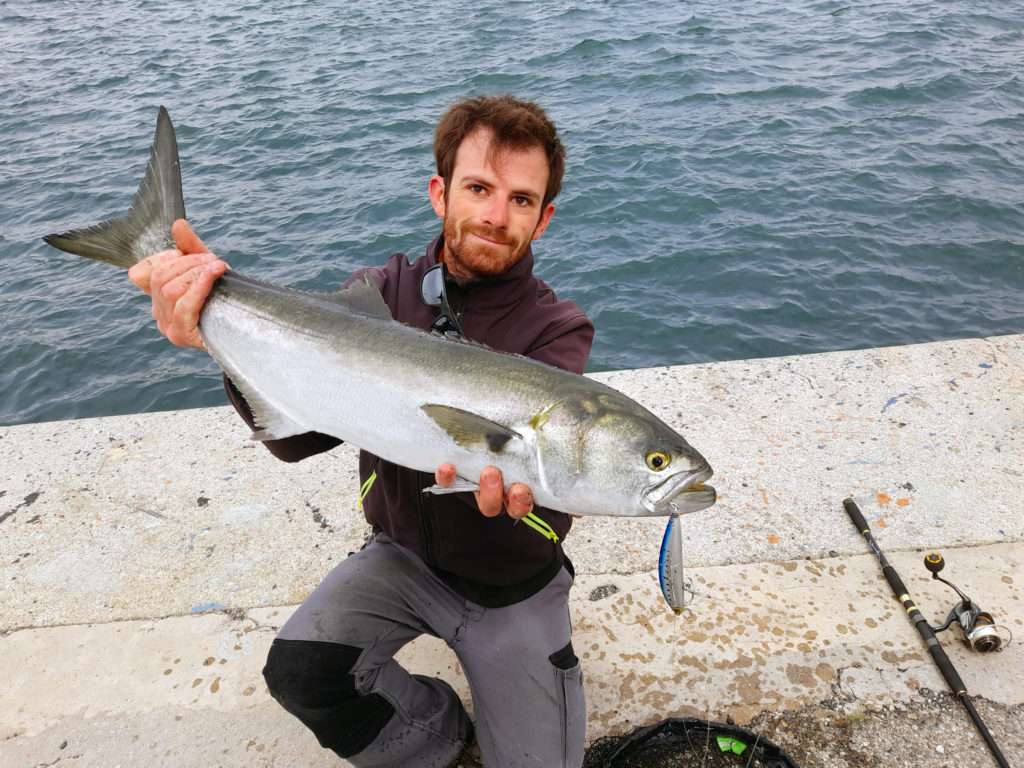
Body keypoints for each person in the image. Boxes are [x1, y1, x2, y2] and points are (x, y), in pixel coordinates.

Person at [128, 96, 595, 768]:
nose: (497, 215)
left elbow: (556, 471)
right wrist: (215, 336)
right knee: (300, 673)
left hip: (511, 587)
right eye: (478, 189)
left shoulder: (557, 330)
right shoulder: (377, 296)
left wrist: (527, 493)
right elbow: (295, 440)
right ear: (440, 192)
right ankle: (439, 737)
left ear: (544, 217)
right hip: (400, 558)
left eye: (522, 200)